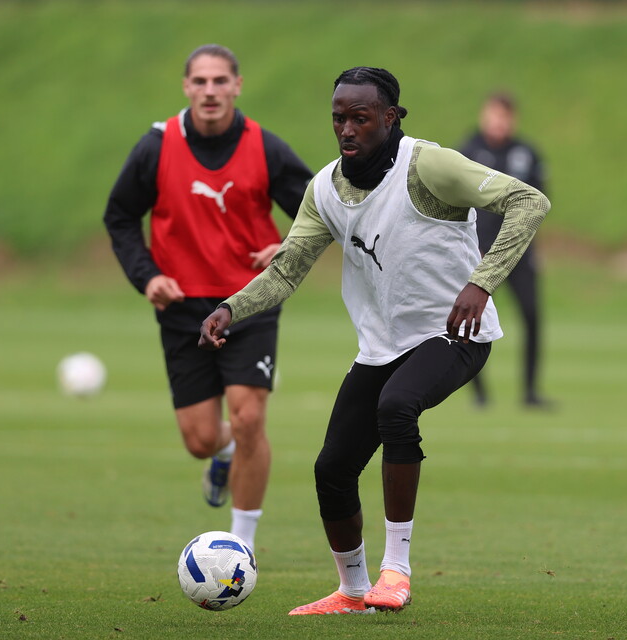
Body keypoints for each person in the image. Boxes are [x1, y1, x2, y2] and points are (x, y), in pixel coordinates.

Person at [199, 67, 549, 614]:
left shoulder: (427, 165)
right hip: (383, 346)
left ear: (390, 118)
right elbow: (287, 270)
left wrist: (481, 282)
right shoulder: (324, 190)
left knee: (397, 406)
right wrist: (230, 309)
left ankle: (397, 572)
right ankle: (354, 591)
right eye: (339, 117)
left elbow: (529, 202)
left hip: (454, 335)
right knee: (331, 469)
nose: (346, 128)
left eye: (360, 117)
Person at [102, 44, 312, 550]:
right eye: (201, 81)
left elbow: (320, 211)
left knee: (249, 417)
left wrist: (286, 247)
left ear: (238, 85)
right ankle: (222, 456)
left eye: (221, 80)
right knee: (200, 439)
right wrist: (147, 277)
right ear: (186, 88)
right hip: (182, 309)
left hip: (249, 303)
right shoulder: (155, 147)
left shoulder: (266, 148)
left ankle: (239, 546)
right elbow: (120, 216)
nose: (211, 90)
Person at [458, 92, 551, 408]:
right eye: (494, 115)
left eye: (505, 116)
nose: (499, 122)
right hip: (480, 252)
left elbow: (539, 201)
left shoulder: (527, 154)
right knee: (470, 321)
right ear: (485, 115)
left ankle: (530, 392)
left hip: (520, 253)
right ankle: (478, 394)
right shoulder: (467, 152)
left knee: (532, 316)